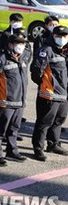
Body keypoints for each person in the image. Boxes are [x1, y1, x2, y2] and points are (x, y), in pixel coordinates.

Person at [30, 25, 68, 161]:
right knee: (44, 122)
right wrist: (45, 85)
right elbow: (36, 71)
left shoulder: (64, 50)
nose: (62, 39)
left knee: (59, 120)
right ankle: (38, 148)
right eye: (59, 36)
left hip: (63, 93)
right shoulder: (46, 50)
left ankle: (53, 143)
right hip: (49, 93)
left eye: (65, 36)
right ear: (54, 36)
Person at [0, 33, 29, 166]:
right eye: (18, 43)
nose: (21, 46)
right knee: (0, 129)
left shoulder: (23, 58)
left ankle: (12, 151)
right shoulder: (1, 58)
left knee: (14, 128)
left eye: (23, 43)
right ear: (10, 45)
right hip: (5, 101)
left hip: (20, 100)